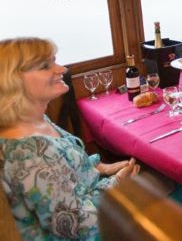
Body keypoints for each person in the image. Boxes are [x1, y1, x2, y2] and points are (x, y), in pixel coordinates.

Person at [0, 37, 140, 240]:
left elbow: (68, 166)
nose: (62, 69)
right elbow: (78, 226)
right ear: (12, 80)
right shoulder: (27, 155)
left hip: (95, 201)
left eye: (54, 61)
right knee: (170, 187)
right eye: (45, 66)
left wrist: (102, 168)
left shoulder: (37, 120)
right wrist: (117, 182)